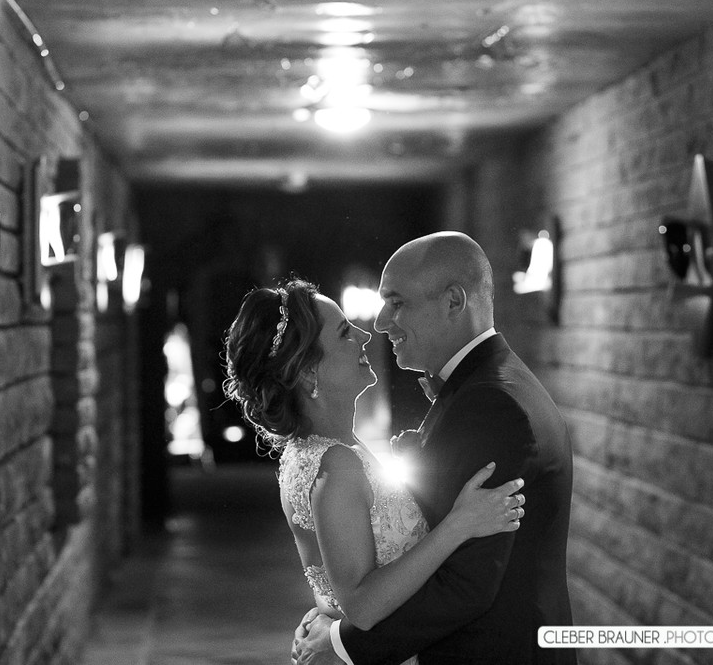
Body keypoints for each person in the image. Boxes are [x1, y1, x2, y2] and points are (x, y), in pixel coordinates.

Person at [293, 232, 576, 665]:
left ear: (453, 302)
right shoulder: (483, 387)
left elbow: (466, 585)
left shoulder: (492, 404)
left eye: (397, 303)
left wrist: (342, 645)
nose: (381, 322)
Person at [223, 278, 527, 665]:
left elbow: (332, 583)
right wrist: (458, 525)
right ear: (309, 372)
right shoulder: (337, 465)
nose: (365, 335)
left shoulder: (308, 454)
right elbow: (362, 605)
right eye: (344, 332)